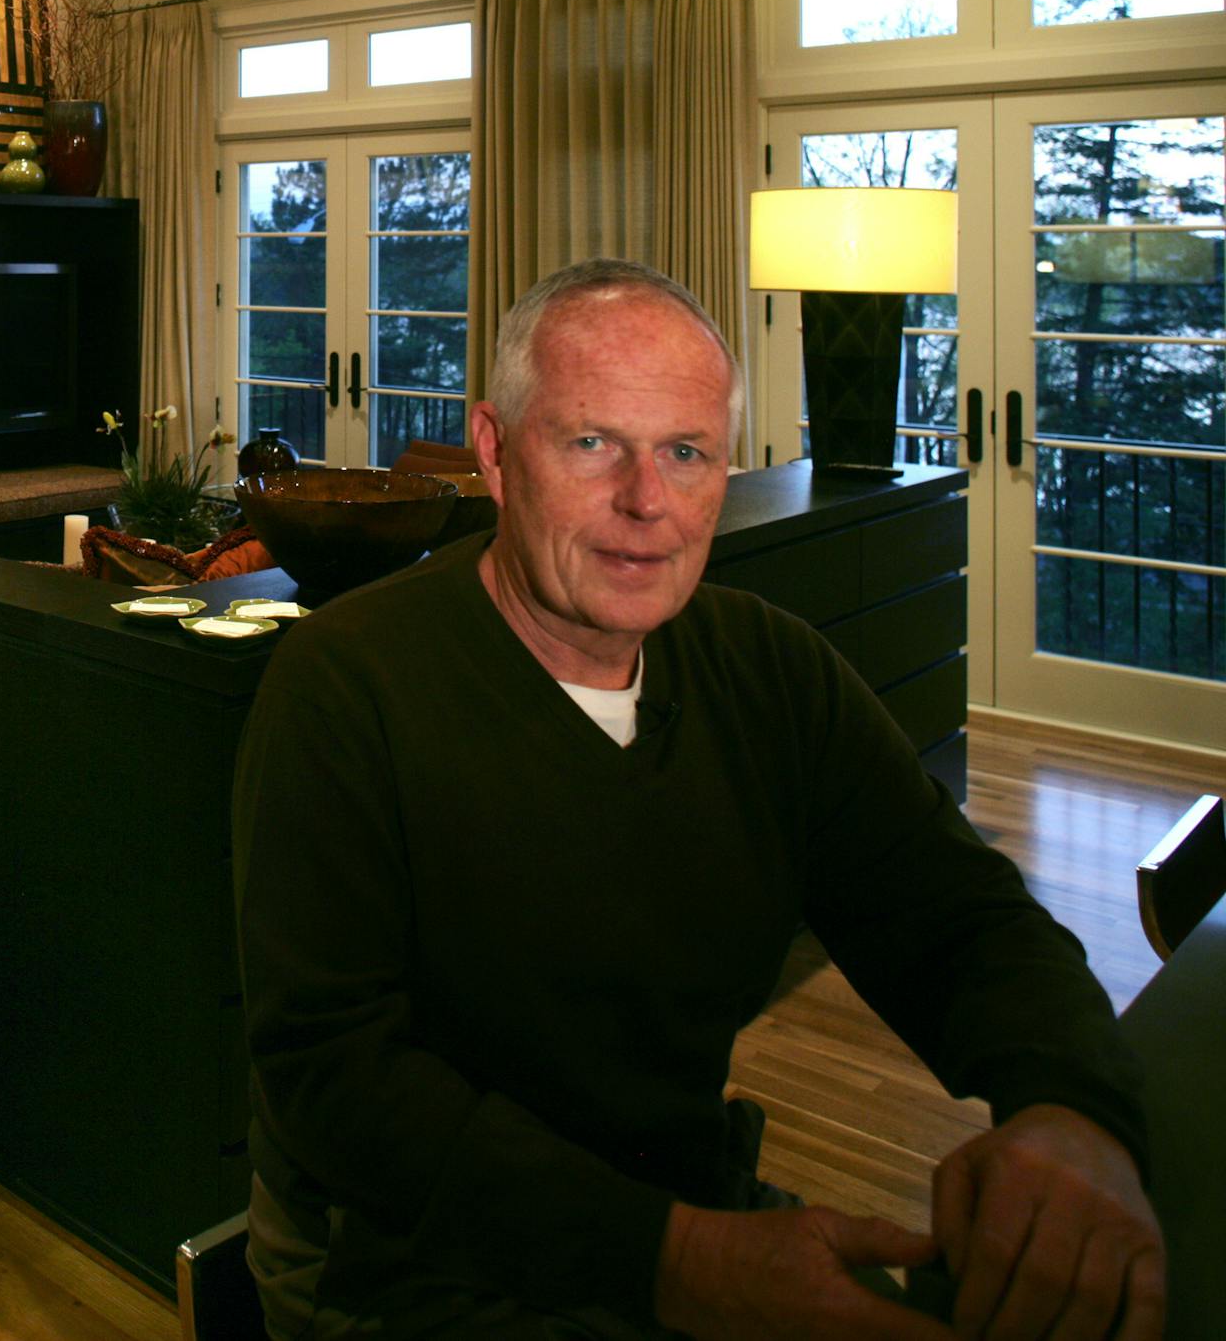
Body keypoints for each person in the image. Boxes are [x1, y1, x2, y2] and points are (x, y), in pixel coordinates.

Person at [233, 258, 1164, 1341]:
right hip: (412, 1265)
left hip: (681, 1209)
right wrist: (683, 1263)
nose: (647, 503)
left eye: (686, 451)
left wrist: (1075, 1108)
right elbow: (336, 1082)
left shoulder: (769, 669)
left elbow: (959, 917)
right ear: (494, 451)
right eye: (592, 443)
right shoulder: (347, 686)